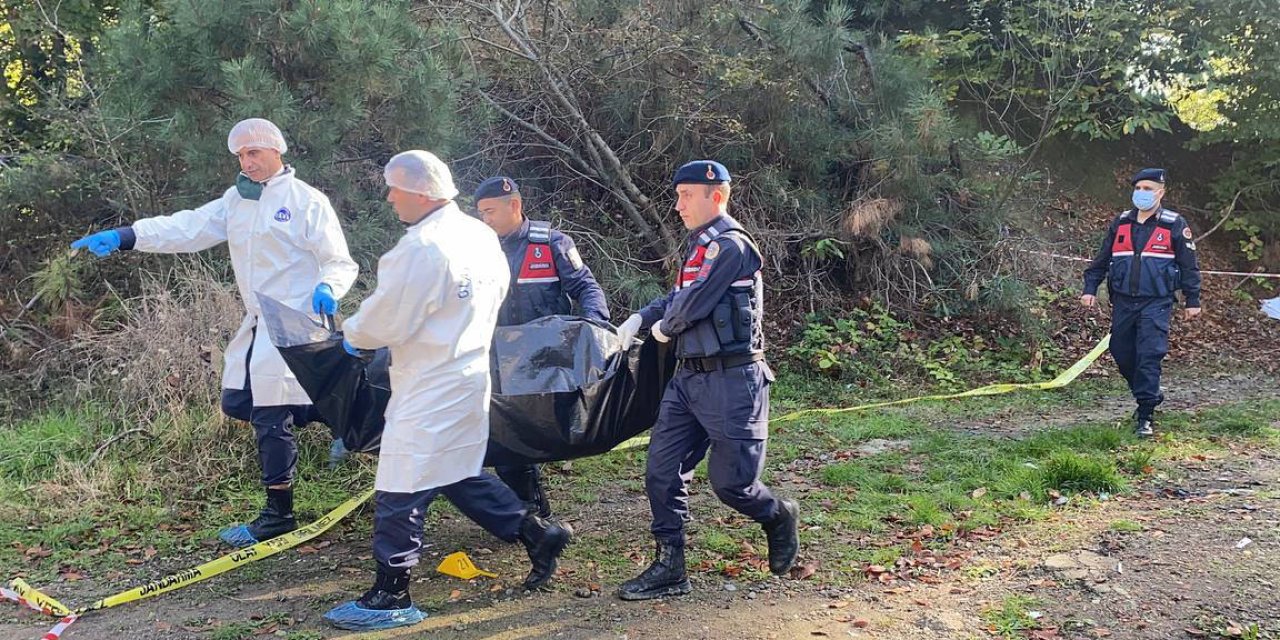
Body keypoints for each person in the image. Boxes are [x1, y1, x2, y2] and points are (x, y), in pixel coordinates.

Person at [70, 118, 358, 546]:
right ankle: (344, 419)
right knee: (237, 400)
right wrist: (127, 236)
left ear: (276, 151)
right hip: (259, 321)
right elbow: (187, 226)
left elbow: (339, 260)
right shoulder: (236, 201)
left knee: (269, 414)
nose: (247, 162)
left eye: (254, 153)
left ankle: (278, 513)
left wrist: (327, 288)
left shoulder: (306, 201)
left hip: (296, 320)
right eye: (241, 155)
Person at [323, 151, 571, 631]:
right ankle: (536, 531)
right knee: (454, 467)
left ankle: (390, 594)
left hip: (427, 381)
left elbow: (385, 318)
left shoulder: (420, 249)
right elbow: (498, 292)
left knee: (400, 481)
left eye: (395, 188)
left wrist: (350, 339)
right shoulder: (478, 234)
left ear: (420, 192)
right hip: (471, 373)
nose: (390, 197)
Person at [612, 161, 799, 601]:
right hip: (689, 382)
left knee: (733, 485)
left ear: (716, 195)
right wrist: (643, 316)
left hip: (733, 382)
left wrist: (664, 328)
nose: (678, 205)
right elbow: (677, 297)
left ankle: (777, 515)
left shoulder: (732, 246)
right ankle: (670, 568)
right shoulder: (699, 246)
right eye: (677, 196)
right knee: (661, 470)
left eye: (686, 195)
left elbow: (693, 303)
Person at [474, 175, 609, 518]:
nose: (484, 220)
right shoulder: (477, 248)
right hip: (497, 358)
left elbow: (587, 289)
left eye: (490, 212)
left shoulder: (551, 244)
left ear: (514, 206)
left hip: (547, 360)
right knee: (505, 436)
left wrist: (592, 326)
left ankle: (529, 506)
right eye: (481, 214)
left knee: (537, 434)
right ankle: (530, 507)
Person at [1082, 168, 1202, 438]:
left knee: (1149, 354)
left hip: (1156, 302)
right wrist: (1090, 288)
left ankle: (1145, 414)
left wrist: (1192, 299)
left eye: (1149, 189)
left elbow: (1189, 266)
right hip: (1123, 301)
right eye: (1139, 188)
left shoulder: (1174, 224)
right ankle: (1148, 393)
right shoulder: (1121, 222)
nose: (1142, 193)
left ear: (1161, 192)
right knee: (1121, 352)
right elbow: (1101, 260)